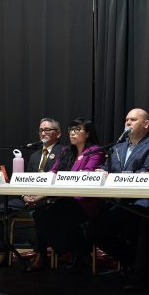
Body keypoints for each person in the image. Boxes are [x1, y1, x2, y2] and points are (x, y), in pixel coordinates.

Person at [89, 108, 149, 291]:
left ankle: (140, 272)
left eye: (133, 120)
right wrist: (101, 172)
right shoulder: (117, 147)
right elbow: (105, 169)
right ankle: (136, 263)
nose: (128, 123)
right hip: (118, 201)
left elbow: (148, 172)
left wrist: (112, 176)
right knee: (94, 231)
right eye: (126, 120)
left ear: (145, 124)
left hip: (141, 201)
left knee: (142, 219)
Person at [26, 117, 105, 273]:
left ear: (88, 133)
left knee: (60, 216)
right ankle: (78, 251)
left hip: (85, 202)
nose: (73, 133)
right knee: (40, 214)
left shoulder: (95, 151)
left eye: (77, 129)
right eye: (71, 130)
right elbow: (53, 174)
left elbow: (87, 175)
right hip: (66, 200)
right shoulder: (66, 152)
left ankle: (78, 252)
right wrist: (38, 195)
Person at [0, 118, 62, 269]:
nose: (43, 133)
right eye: (40, 130)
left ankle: (41, 255)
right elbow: (25, 180)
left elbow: (61, 180)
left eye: (47, 130)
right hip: (29, 197)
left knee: (41, 212)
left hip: (49, 198)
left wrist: (40, 196)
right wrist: (24, 195)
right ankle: (3, 253)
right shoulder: (34, 156)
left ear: (58, 133)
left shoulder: (64, 152)